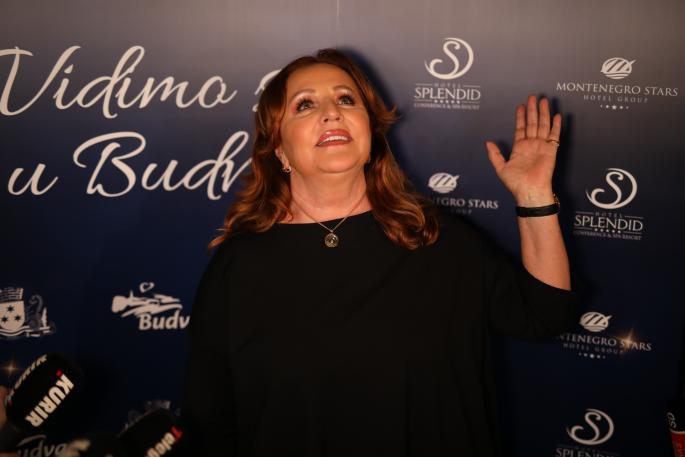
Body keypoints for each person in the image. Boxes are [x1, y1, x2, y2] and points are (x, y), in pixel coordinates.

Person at [182, 48, 573, 457]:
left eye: (346, 99)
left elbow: (544, 314)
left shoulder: (436, 238)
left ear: (371, 134)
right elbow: (210, 424)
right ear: (278, 148)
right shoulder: (239, 268)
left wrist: (534, 196)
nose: (331, 113)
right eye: (305, 105)